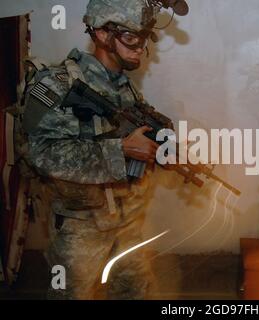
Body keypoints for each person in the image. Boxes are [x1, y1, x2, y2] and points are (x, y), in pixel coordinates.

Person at [21, 0, 172, 299]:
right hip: (81, 227)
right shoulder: (56, 85)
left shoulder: (124, 87)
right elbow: (39, 152)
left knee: (135, 291)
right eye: (131, 37)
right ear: (102, 35)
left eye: (144, 38)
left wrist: (159, 149)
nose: (140, 47)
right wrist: (122, 151)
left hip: (128, 221)